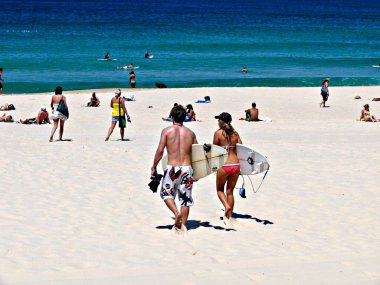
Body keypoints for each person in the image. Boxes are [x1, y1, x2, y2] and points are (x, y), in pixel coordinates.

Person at [151, 104, 198, 231]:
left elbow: (160, 151)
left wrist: (154, 166)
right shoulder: (191, 133)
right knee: (185, 199)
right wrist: (197, 173)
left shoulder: (166, 131)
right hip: (187, 169)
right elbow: (197, 154)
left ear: (172, 117)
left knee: (166, 194)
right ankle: (183, 225)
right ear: (184, 118)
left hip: (172, 168)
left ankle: (176, 213)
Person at [213, 112, 242, 222]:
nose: (217, 121)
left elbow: (214, 150)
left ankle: (226, 206)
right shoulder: (235, 133)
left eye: (218, 119)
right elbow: (242, 148)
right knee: (230, 192)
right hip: (236, 165)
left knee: (220, 190)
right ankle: (229, 216)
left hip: (224, 165)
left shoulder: (218, 133)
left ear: (221, 122)